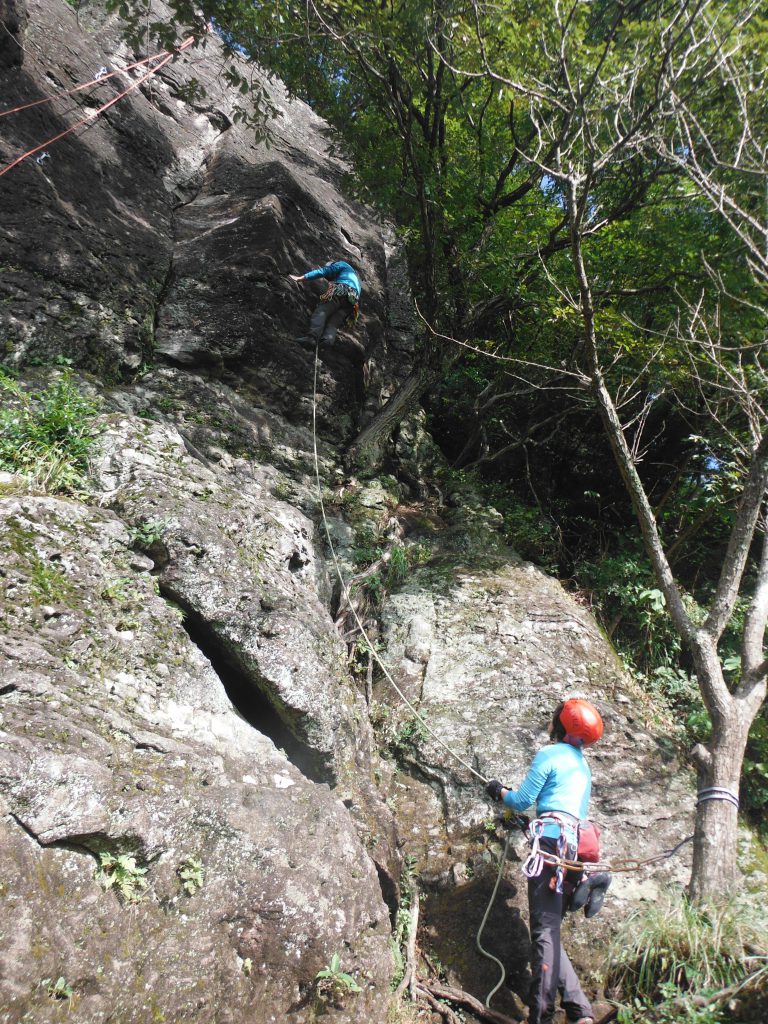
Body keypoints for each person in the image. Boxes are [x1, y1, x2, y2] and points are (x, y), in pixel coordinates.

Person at [485, 698, 608, 1024]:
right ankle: (581, 1012)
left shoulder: (550, 754)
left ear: (563, 724)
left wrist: (499, 792)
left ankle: (541, 1014)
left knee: (543, 932)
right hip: (570, 851)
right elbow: (569, 813)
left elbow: (523, 799)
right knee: (550, 931)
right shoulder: (583, 768)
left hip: (550, 848)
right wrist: (528, 825)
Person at [289, 259, 362, 350]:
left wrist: (301, 278)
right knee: (333, 324)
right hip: (352, 302)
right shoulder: (356, 280)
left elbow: (323, 271)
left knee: (322, 311)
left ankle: (312, 338)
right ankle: (326, 342)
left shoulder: (341, 264)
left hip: (342, 291)